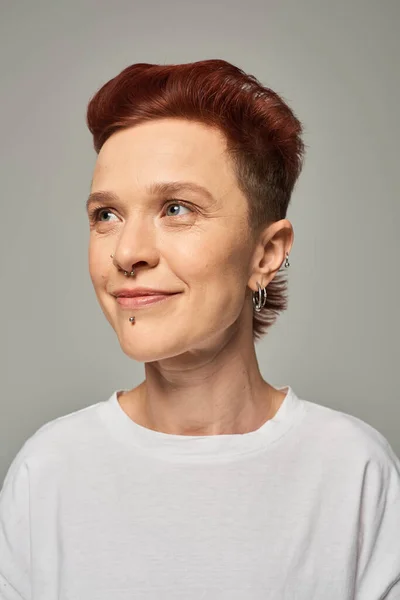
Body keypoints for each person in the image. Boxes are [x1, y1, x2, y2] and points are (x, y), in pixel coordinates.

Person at [0, 58, 399, 600]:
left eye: (176, 208)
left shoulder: (354, 471)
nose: (128, 252)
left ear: (266, 253)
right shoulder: (48, 472)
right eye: (106, 215)